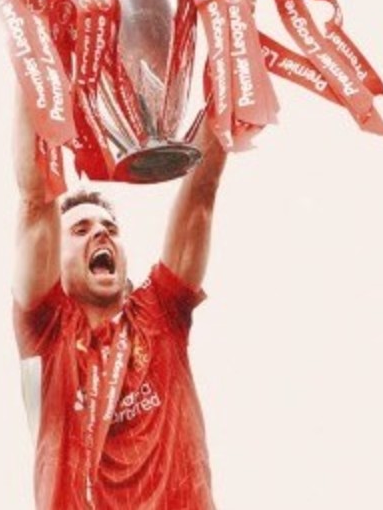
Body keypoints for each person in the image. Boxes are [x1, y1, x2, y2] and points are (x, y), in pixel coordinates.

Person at [12, 93, 226, 509]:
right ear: (53, 260)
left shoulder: (161, 313)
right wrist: (33, 69)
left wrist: (228, 74)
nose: (101, 233)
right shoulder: (47, 332)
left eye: (110, 228)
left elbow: (201, 193)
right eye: (80, 230)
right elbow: (35, 201)